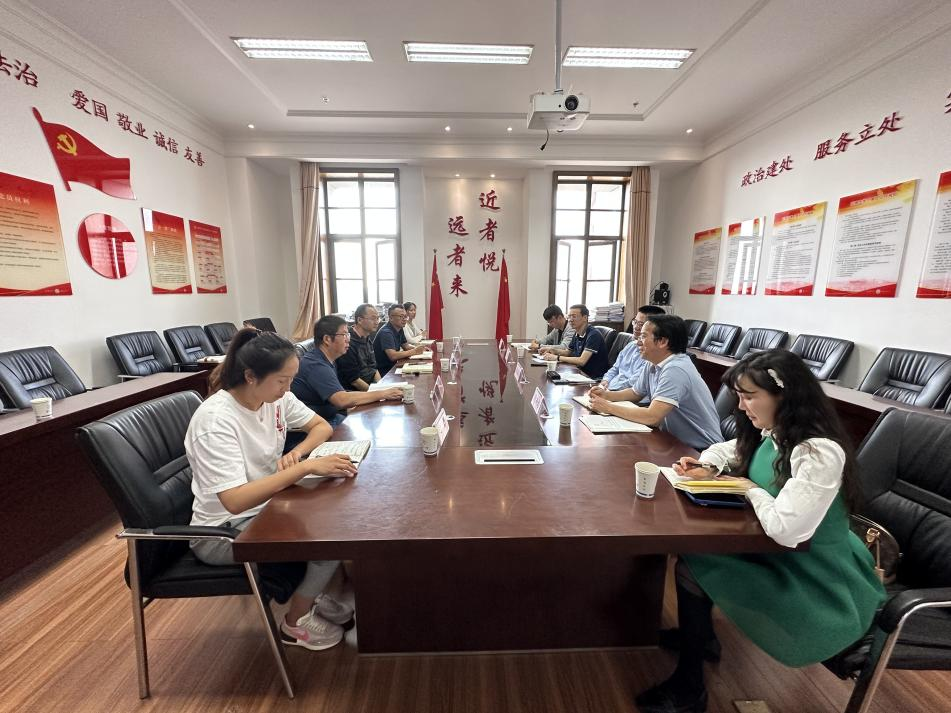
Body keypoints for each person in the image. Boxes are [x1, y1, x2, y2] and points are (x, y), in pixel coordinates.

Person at [635, 349, 885, 713]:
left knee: (694, 564)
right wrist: (708, 464)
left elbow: (786, 530)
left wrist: (749, 489)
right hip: (781, 553)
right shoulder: (776, 432)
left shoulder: (818, 452)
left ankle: (690, 688)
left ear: (785, 396)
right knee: (693, 557)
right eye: (739, 396)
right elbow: (732, 449)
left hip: (817, 574)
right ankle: (701, 639)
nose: (741, 406)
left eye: (749, 396)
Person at [185, 328, 359, 651]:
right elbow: (235, 500)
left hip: (267, 506)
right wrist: (304, 468)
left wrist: (299, 453)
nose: (288, 388)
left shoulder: (274, 398)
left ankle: (311, 594)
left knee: (338, 513)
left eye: (291, 379)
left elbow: (320, 426)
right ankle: (295, 622)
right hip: (222, 533)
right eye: (282, 381)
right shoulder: (215, 421)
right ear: (250, 376)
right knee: (330, 539)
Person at [590, 314, 721, 450]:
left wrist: (608, 407)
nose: (638, 342)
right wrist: (606, 395)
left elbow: (652, 417)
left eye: (643, 336)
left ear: (662, 342)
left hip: (701, 450)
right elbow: (635, 393)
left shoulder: (676, 369)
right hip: (672, 440)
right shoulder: (653, 362)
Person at [292, 315, 403, 427]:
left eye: (348, 334)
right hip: (318, 424)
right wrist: (383, 394)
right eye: (344, 335)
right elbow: (341, 400)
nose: (348, 339)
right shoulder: (316, 365)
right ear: (327, 339)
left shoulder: (328, 360)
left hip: (331, 415)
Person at [590, 304, 665, 394]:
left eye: (641, 324)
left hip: (622, 394)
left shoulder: (652, 356)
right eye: (635, 322)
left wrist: (609, 391)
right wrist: (605, 382)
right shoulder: (631, 345)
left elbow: (633, 384)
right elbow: (615, 368)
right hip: (610, 389)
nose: (636, 327)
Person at [543, 304, 609, 379]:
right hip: (579, 373)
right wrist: (553, 350)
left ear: (585, 318)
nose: (570, 320)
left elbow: (582, 361)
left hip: (593, 377)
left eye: (574, 316)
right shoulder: (577, 333)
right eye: (569, 316)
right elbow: (568, 352)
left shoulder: (593, 334)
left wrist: (557, 357)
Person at [336, 303, 383, 391]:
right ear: (360, 320)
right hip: (354, 391)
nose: (377, 322)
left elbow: (373, 368)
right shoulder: (347, 342)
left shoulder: (366, 337)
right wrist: (376, 394)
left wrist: (381, 387)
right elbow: (354, 380)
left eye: (378, 318)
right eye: (373, 318)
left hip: (370, 387)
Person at [373, 304, 425, 376]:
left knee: (419, 373)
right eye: (401, 316)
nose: (404, 319)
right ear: (391, 318)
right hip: (384, 372)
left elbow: (406, 346)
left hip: (394, 367)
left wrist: (420, 348)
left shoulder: (399, 329)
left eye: (405, 316)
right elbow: (393, 356)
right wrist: (415, 351)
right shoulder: (386, 332)